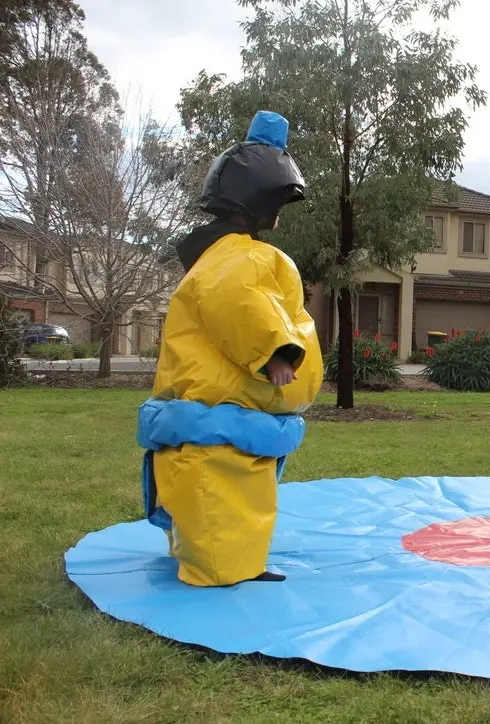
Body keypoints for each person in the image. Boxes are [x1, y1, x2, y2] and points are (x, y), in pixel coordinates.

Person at [136, 111, 324, 586]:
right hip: (216, 426)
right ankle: (218, 570)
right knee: (218, 499)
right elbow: (239, 305)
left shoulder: (225, 255)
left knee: (237, 498)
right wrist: (277, 352)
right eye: (279, 199)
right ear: (257, 196)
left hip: (224, 421)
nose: (281, 212)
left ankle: (230, 562)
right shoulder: (234, 260)